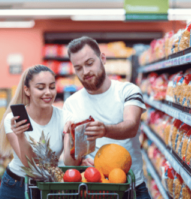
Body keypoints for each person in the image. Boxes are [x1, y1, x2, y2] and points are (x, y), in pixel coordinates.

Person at [63, 36, 151, 199]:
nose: (86, 72)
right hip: (94, 188)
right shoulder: (71, 103)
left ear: (102, 59)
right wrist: (72, 140)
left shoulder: (128, 91)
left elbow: (131, 126)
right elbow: (70, 163)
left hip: (131, 188)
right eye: (78, 68)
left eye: (89, 63)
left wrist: (105, 130)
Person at [0, 65, 74, 199]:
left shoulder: (64, 117)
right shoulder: (14, 120)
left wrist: (73, 136)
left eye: (52, 87)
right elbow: (30, 166)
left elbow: (69, 163)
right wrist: (21, 136)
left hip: (49, 186)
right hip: (16, 186)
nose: (48, 92)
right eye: (40, 87)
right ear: (27, 90)